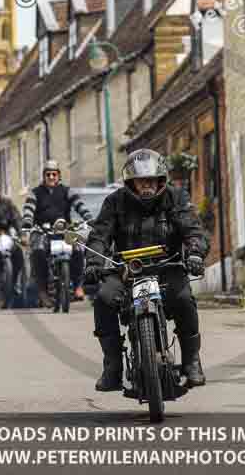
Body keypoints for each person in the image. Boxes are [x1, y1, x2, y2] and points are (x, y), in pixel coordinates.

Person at [84, 148, 209, 392]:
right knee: (104, 299)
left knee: (184, 299)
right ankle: (112, 367)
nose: (147, 187)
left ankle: (192, 361)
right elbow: (100, 235)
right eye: (141, 182)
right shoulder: (114, 202)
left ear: (160, 180)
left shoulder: (175, 198)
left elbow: (193, 229)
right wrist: (93, 262)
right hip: (127, 271)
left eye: (151, 181)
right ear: (131, 183)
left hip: (167, 267)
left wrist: (194, 253)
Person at [21, 160, 93, 306]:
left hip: (64, 229)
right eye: (48, 174)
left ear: (59, 176)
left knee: (78, 249)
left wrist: (88, 218)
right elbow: (29, 208)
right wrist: (27, 222)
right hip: (42, 230)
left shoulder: (67, 191)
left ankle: (78, 286)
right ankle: (42, 291)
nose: (51, 177)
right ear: (44, 176)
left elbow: (79, 205)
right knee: (38, 251)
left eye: (54, 174)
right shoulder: (35, 193)